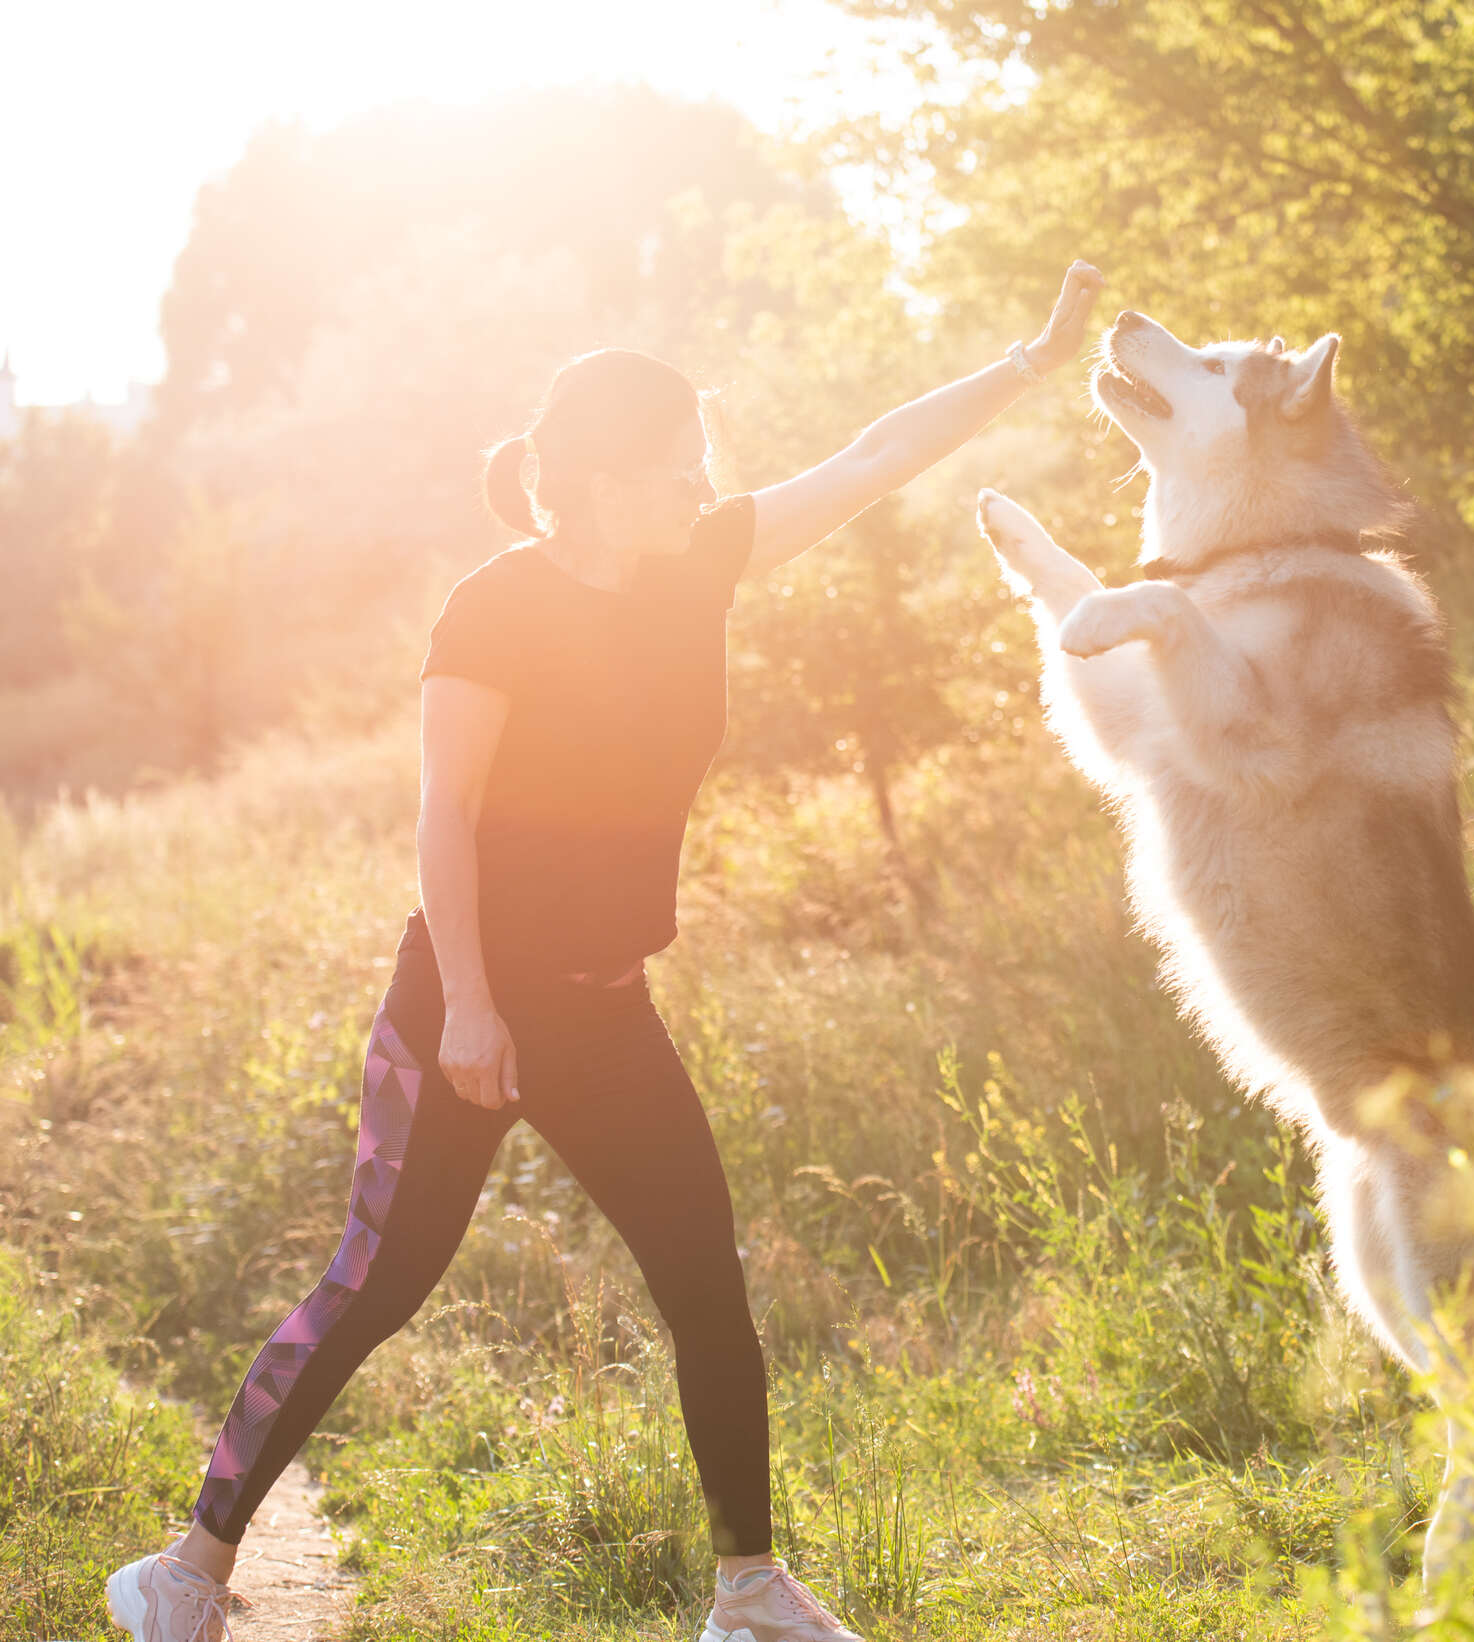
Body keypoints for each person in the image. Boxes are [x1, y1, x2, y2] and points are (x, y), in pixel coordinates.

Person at [104, 260, 1106, 1642]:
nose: (701, 488)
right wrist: (466, 1005)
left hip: (606, 1010)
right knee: (379, 1282)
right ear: (598, 477)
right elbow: (444, 813)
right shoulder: (495, 607)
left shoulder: (700, 565)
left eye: (700, 468)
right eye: (676, 467)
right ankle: (189, 1570)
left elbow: (874, 457)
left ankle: (747, 1593)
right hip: (467, 1003)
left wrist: (1032, 361)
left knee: (704, 1272)